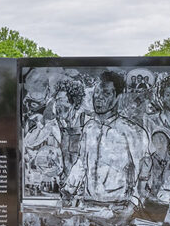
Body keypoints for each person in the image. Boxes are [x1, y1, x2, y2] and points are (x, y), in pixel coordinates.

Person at [64, 70, 150, 214]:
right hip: (89, 206)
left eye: (106, 94)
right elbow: (82, 163)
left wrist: (132, 206)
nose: (98, 98)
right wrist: (68, 191)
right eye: (96, 93)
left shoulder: (132, 131)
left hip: (118, 208)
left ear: (118, 97)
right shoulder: (89, 128)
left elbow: (144, 169)